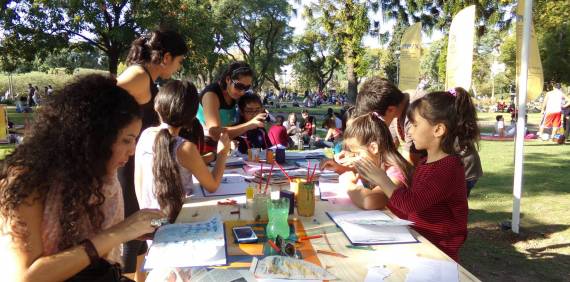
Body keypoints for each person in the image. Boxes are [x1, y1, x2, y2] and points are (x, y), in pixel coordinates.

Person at [0, 74, 165, 281]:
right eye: (126, 140)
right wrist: (119, 232)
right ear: (94, 137)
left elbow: (100, 252)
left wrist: (136, 229)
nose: (132, 150)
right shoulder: (25, 180)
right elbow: (24, 278)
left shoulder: (101, 178)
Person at [354, 87, 477, 261]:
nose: (409, 131)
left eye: (415, 124)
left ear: (438, 130)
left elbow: (411, 204)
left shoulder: (448, 168)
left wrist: (383, 179)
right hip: (422, 244)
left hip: (440, 254)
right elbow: (412, 208)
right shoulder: (426, 163)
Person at [116, 29, 188, 277]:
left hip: (136, 167)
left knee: (140, 235)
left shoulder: (147, 78)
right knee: (130, 237)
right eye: (179, 61)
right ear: (166, 57)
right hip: (125, 172)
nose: (178, 68)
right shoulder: (136, 76)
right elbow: (99, 110)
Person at [135, 80, 230, 223]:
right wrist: (222, 153)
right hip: (179, 222)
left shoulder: (145, 135)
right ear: (192, 117)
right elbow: (212, 186)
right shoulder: (185, 148)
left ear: (157, 106)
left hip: (149, 222)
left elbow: (139, 183)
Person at [340, 113, 413, 219]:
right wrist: (341, 169)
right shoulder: (381, 165)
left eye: (357, 154)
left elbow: (370, 201)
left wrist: (349, 185)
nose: (355, 159)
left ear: (373, 148)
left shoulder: (396, 172)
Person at [196, 62, 265, 154]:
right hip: (202, 147)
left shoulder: (234, 94)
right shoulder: (211, 95)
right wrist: (249, 124)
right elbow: (215, 133)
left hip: (220, 146)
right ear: (228, 79)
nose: (242, 92)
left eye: (247, 87)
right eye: (239, 86)